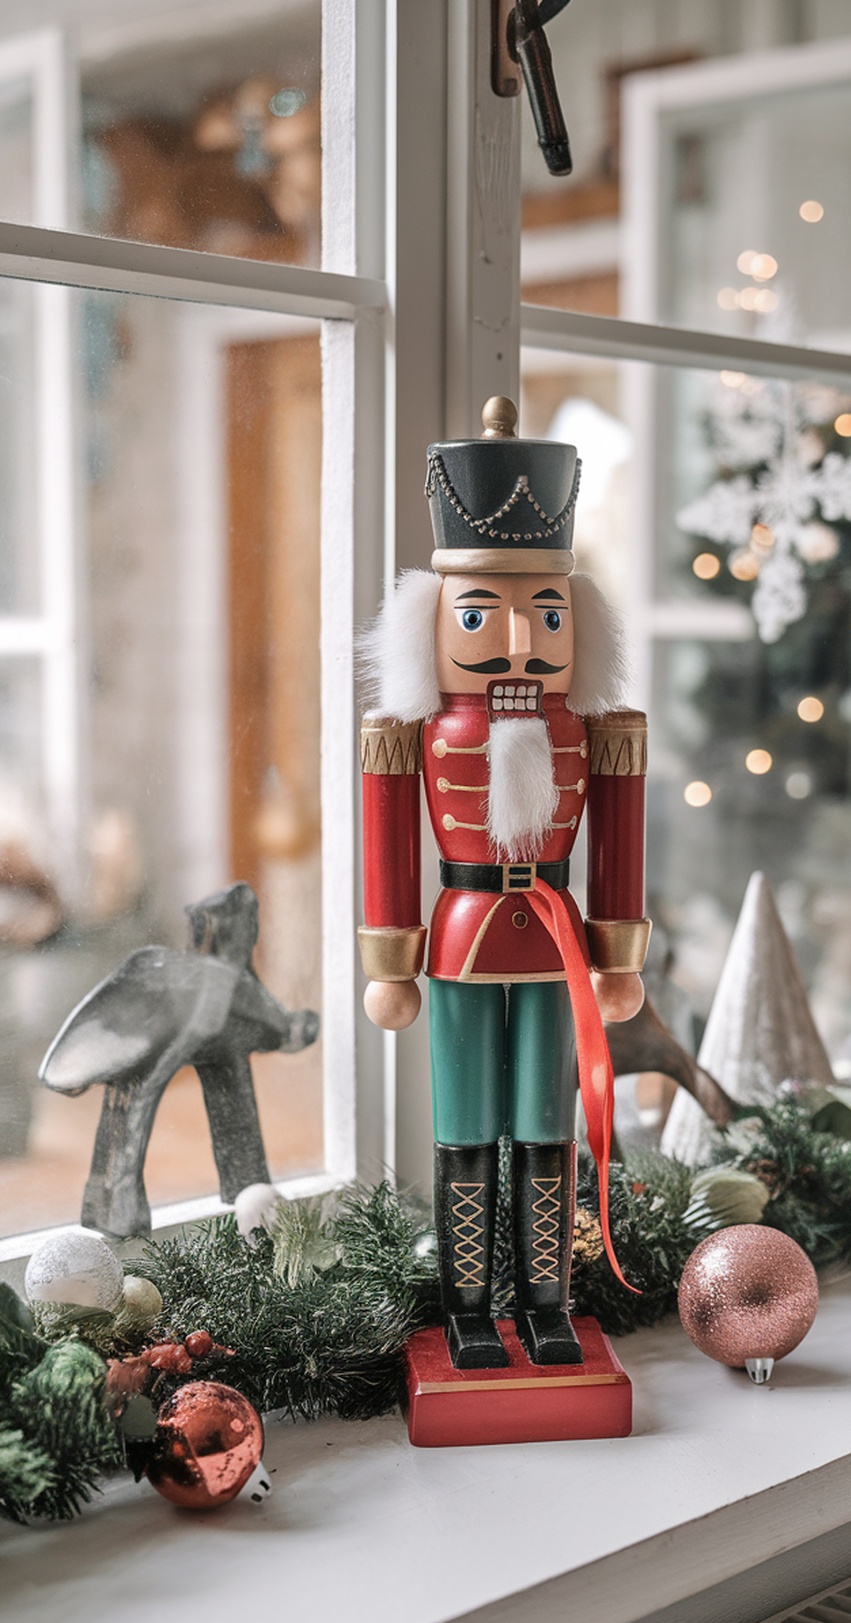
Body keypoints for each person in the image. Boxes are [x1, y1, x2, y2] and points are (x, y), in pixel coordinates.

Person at [359, 397, 649, 1370]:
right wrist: (389, 962)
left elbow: (622, 845)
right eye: (482, 614)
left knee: (544, 1120)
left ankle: (546, 1300)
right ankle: (469, 1305)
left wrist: (619, 950)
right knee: (463, 1122)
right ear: (432, 624)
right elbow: (384, 848)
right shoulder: (416, 736)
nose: (520, 641)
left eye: (548, 613)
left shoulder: (594, 733)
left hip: (558, 934)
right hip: (462, 929)